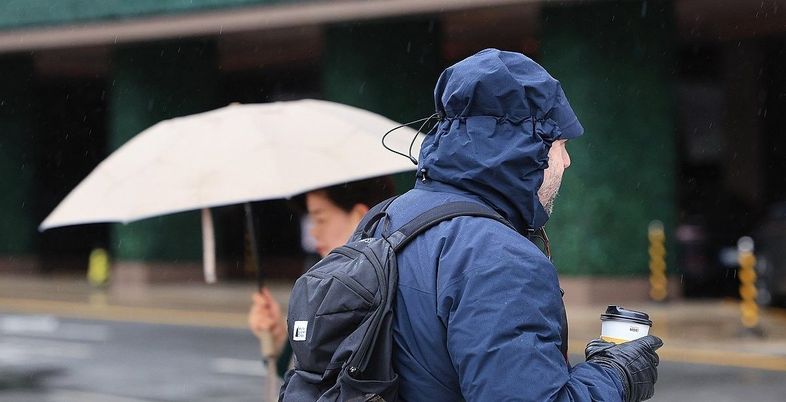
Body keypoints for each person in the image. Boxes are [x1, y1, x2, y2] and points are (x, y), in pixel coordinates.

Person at [371, 49, 662, 401]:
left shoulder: (387, 219)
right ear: (526, 149)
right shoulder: (499, 259)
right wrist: (617, 375)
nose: (567, 162)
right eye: (561, 145)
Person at [247, 177, 395, 377]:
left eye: (320, 219)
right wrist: (280, 341)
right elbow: (308, 380)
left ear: (360, 216)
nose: (313, 232)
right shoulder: (329, 289)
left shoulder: (391, 292)